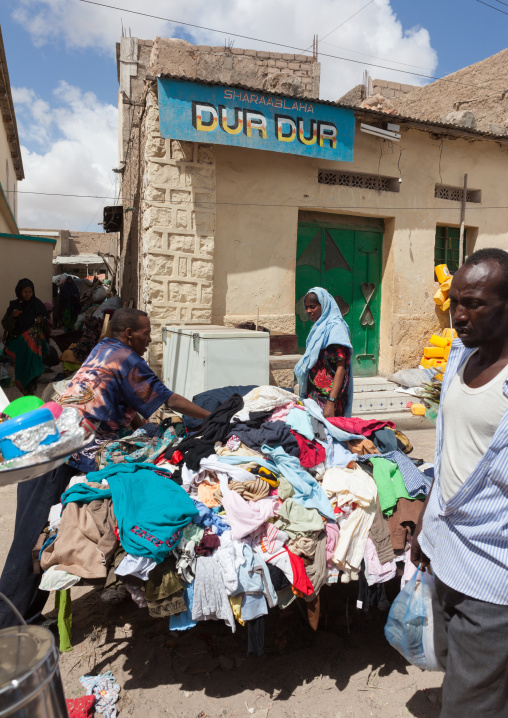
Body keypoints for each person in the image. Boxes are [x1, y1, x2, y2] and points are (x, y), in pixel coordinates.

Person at [0, 308, 210, 628]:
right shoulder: (127, 359)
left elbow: (126, 406)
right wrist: (213, 418)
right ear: (129, 334)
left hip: (50, 447)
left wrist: (141, 429)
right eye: (146, 333)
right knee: (31, 542)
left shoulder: (104, 350)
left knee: (40, 538)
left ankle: (25, 618)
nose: (150, 338)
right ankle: (7, 627)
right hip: (61, 456)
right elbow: (169, 399)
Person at [411, 248, 508, 717]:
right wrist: (429, 526)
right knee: (461, 673)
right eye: (455, 302)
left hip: (493, 576)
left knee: (471, 704)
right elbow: (448, 448)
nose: (458, 315)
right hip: (448, 554)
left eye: (474, 304)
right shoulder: (460, 359)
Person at [295, 287, 353, 418]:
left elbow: (341, 368)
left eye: (313, 307)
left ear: (324, 305)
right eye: (306, 307)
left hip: (329, 399)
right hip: (314, 395)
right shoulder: (318, 328)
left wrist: (331, 402)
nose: (308, 311)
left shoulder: (335, 328)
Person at [1, 278, 49, 395]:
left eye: (30, 292)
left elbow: (46, 321)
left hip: (34, 348)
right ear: (19, 292)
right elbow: (5, 324)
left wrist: (40, 320)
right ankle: (25, 390)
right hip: (20, 345)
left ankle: (31, 392)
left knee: (32, 371)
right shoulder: (14, 306)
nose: (28, 294)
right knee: (22, 369)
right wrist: (13, 317)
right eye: (25, 292)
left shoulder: (37, 304)